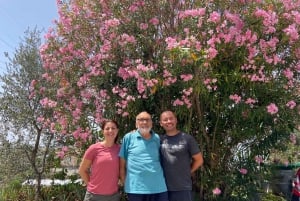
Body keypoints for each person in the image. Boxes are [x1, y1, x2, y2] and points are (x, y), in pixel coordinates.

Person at [119, 111, 169, 201]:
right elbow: (122, 163)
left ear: (151, 123)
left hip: (159, 187)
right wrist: (124, 181)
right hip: (136, 189)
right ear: (136, 123)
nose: (144, 122)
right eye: (141, 120)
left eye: (147, 120)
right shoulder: (128, 137)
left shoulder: (157, 138)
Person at [159, 110, 204, 201]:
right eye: (165, 120)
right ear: (161, 123)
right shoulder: (158, 140)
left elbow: (199, 160)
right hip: (162, 188)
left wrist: (189, 171)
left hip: (183, 187)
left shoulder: (187, 139)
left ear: (176, 120)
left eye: (171, 118)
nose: (169, 121)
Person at [78, 119, 121, 201]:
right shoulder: (94, 148)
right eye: (107, 128)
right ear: (103, 131)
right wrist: (91, 186)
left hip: (113, 197)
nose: (110, 130)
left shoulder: (120, 149)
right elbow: (82, 170)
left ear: (117, 130)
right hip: (93, 196)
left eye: (113, 128)